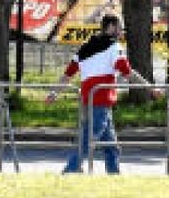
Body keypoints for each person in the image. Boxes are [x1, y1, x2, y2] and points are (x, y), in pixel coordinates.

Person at [44, 13, 161, 174]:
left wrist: (54, 92)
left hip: (88, 99)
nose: (122, 31)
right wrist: (150, 88)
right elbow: (128, 73)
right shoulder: (114, 47)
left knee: (111, 146)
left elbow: (68, 74)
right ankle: (71, 170)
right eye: (120, 28)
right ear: (111, 27)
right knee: (87, 140)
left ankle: (113, 175)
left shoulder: (84, 47)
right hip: (101, 100)